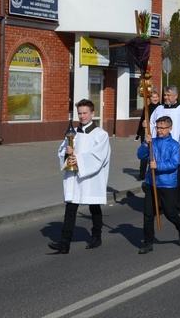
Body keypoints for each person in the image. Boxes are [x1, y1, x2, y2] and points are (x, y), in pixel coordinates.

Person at [48, 99, 111, 254]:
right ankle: (65, 242)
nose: (82, 116)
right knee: (71, 207)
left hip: (91, 177)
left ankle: (97, 237)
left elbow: (100, 156)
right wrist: (66, 153)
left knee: (94, 206)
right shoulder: (72, 133)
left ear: (92, 114)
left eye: (85, 113)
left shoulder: (101, 135)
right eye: (80, 113)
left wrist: (80, 159)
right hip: (74, 177)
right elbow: (62, 150)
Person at [136, 115, 180, 254]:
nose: (159, 130)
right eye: (157, 127)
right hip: (151, 183)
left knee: (170, 212)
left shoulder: (174, 145)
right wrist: (145, 144)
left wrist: (158, 165)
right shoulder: (152, 141)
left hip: (167, 183)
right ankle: (148, 242)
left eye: (162, 128)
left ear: (169, 128)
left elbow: (174, 163)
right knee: (148, 214)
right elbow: (140, 155)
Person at [150, 85, 180, 211]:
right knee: (159, 175)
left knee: (177, 177)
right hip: (159, 148)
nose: (166, 97)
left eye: (168, 95)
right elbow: (152, 125)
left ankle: (176, 204)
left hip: (176, 149)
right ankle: (159, 203)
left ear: (176, 96)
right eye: (164, 95)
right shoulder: (159, 109)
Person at [135, 90, 160, 180]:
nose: (155, 99)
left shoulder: (161, 108)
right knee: (144, 153)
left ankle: (153, 172)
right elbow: (142, 120)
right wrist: (139, 132)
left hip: (156, 133)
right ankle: (142, 173)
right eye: (153, 97)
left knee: (154, 153)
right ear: (149, 98)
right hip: (146, 133)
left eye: (156, 97)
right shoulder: (147, 108)